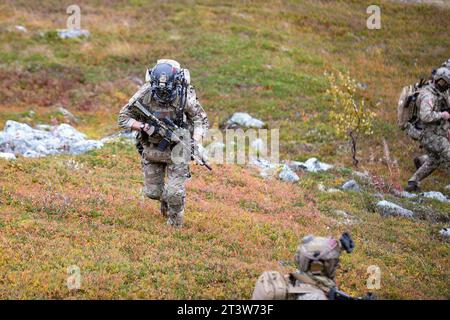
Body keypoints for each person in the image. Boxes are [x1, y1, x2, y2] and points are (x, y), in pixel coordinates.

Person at [118, 59, 209, 227]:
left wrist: (195, 142)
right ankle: (166, 199)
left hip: (178, 148)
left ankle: (175, 226)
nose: (162, 94)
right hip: (153, 148)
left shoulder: (184, 97)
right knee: (153, 193)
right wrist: (144, 126)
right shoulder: (145, 93)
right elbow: (123, 118)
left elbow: (200, 120)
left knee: (174, 192)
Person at [252, 233, 372, 300]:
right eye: (333, 262)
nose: (337, 264)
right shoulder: (314, 296)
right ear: (317, 266)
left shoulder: (298, 278)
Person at [405, 67, 450, 192]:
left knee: (435, 160)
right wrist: (442, 115)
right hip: (428, 135)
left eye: (446, 83)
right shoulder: (428, 96)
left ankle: (412, 183)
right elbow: (425, 116)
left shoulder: (440, 93)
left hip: (435, 133)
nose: (444, 85)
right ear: (437, 80)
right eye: (442, 82)